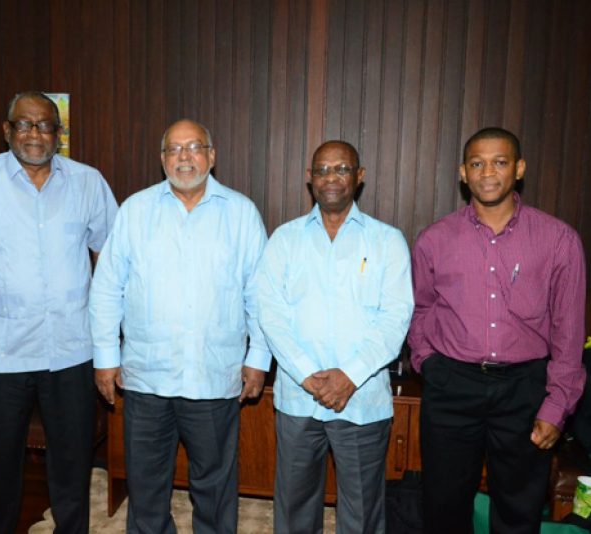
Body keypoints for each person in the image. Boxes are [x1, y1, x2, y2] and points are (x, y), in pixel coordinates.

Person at [0, 91, 117, 534]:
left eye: (44, 125)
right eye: (24, 124)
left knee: (73, 467)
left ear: (59, 135)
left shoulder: (88, 182)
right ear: (7, 131)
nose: (34, 133)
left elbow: (112, 262)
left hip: (71, 350)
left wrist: (108, 345)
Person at [89, 119, 270, 534]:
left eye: (194, 147)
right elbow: (106, 289)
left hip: (213, 376)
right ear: (162, 159)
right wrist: (105, 358)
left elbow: (260, 294)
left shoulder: (241, 213)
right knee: (146, 486)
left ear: (212, 155)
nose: (184, 157)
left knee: (215, 487)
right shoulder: (135, 210)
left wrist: (258, 358)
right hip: (146, 378)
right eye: (174, 149)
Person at [408, 127, 587, 534]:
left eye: (500, 162)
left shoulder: (559, 240)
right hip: (452, 385)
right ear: (463, 173)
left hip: (525, 389)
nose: (488, 172)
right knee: (443, 507)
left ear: (519, 169)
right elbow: (420, 310)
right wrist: (429, 364)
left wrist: (557, 405)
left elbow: (569, 333)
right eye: (477, 163)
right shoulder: (434, 239)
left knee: (519, 511)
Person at [256, 140, 413, 533]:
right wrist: (309, 376)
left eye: (341, 169)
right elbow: (271, 315)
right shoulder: (285, 239)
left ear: (359, 178)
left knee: (361, 512)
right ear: (309, 179)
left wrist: (349, 376)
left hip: (361, 400)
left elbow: (396, 318)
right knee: (294, 509)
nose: (331, 177)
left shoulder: (387, 240)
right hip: (297, 398)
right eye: (322, 170)